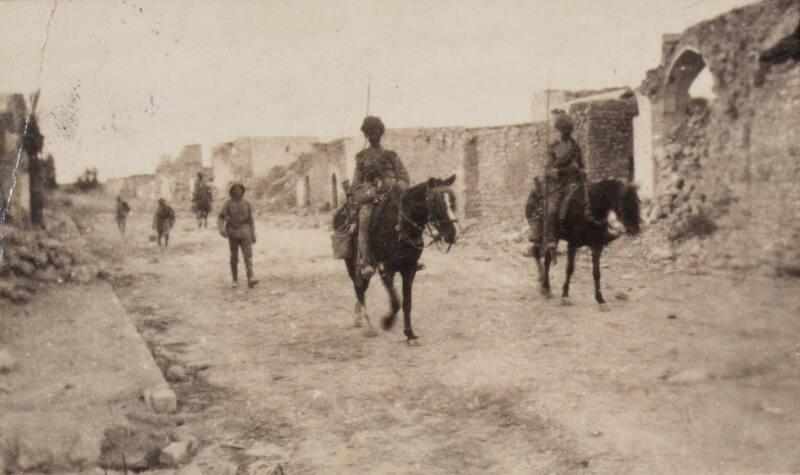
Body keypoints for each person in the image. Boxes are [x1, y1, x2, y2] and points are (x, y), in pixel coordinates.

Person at [350, 116, 410, 277]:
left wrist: (398, 186)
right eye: (370, 133)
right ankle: (366, 262)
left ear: (381, 134)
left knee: (409, 219)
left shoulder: (391, 155)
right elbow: (356, 183)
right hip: (372, 198)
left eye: (376, 132)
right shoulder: (362, 157)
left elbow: (404, 177)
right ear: (367, 136)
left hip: (393, 196)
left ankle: (410, 258)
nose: (374, 136)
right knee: (364, 220)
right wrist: (367, 192)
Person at [538, 112, 586, 256]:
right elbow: (547, 170)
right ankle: (551, 241)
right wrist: (565, 170)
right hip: (556, 184)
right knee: (552, 209)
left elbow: (582, 164)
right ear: (558, 130)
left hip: (574, 182)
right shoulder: (552, 147)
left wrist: (582, 171)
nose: (567, 133)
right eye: (564, 130)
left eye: (569, 130)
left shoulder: (575, 146)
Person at [218, 182, 258, 288]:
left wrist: (253, 234)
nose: (238, 192)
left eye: (240, 190)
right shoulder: (228, 204)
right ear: (232, 192)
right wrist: (221, 229)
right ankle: (234, 279)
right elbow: (221, 217)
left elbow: (251, 220)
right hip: (233, 232)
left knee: (248, 255)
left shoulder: (247, 204)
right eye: (235, 190)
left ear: (243, 192)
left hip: (245, 232)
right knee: (234, 257)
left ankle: (251, 278)